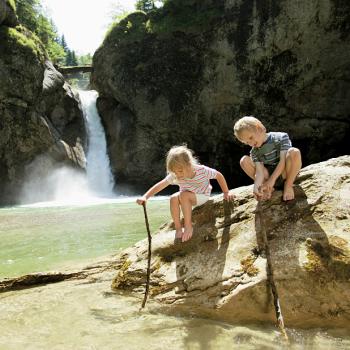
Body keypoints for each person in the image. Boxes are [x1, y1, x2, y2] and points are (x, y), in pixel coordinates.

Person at [136, 145, 235, 242]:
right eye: (175, 172)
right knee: (173, 198)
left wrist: (226, 192)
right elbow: (160, 185)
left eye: (180, 171)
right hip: (187, 197)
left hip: (202, 196)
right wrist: (145, 197)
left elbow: (219, 175)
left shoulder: (202, 170)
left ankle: (188, 227)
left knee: (183, 195)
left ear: (189, 164)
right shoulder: (176, 174)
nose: (178, 175)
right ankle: (178, 228)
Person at [233, 116, 302, 201]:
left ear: (260, 128)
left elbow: (283, 162)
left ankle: (288, 185)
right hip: (268, 177)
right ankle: (267, 188)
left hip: (284, 173)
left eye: (251, 138)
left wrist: (272, 180)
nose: (251, 143)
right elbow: (259, 172)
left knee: (294, 152)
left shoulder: (281, 137)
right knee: (244, 161)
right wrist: (256, 187)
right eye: (247, 142)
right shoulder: (254, 152)